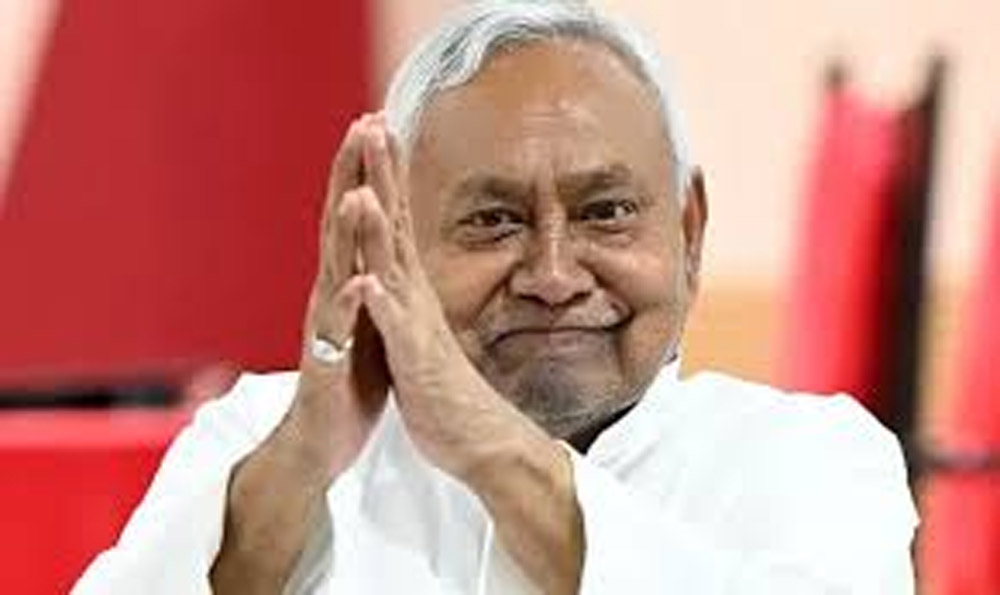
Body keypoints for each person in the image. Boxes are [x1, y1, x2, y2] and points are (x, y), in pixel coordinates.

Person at [73, 1, 917, 593]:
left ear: (688, 231)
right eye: (493, 220)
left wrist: (483, 442)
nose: (553, 273)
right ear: (397, 236)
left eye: (606, 212)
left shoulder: (811, 458)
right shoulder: (264, 436)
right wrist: (303, 456)